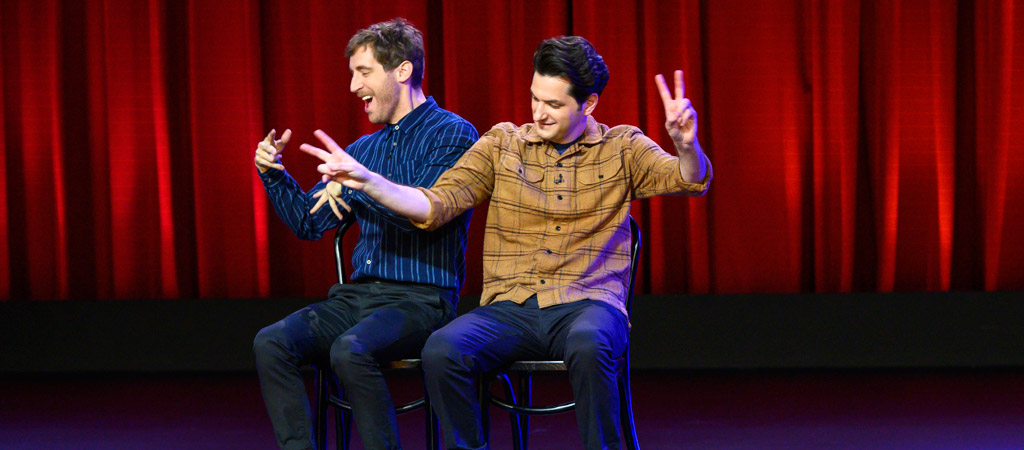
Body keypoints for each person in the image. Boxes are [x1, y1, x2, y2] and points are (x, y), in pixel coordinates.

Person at [304, 35, 711, 450]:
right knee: (442, 350)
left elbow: (689, 179)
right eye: (535, 98)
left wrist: (686, 145)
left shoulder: (622, 147)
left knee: (589, 344)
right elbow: (435, 204)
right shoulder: (503, 145)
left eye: (554, 104)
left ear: (588, 104)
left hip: (587, 302)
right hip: (510, 308)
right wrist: (371, 182)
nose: (539, 113)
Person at [251, 18, 477, 450]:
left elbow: (424, 212)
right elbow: (308, 223)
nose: (354, 86)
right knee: (272, 342)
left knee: (350, 349)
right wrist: (273, 174)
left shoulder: (452, 133)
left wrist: (361, 184)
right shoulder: (362, 150)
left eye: (364, 72)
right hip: (357, 297)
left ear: (402, 70)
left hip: (420, 298)